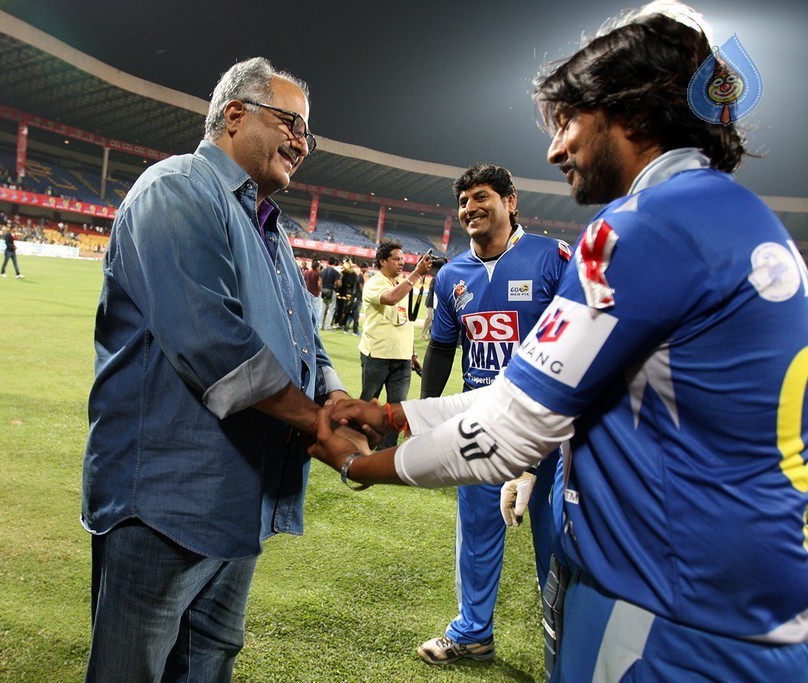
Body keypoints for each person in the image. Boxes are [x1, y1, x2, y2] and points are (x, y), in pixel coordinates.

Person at [310, 3, 808, 681]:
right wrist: (397, 414)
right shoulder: (736, 216)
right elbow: (535, 397)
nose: (555, 148)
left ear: (629, 114)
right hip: (742, 603)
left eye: (571, 120)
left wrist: (361, 463)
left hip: (668, 616)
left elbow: (516, 428)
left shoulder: (647, 225)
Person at [82, 57, 361, 682]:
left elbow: (306, 340)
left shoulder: (270, 227)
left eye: (307, 134)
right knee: (132, 671)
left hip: (238, 501)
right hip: (165, 503)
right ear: (234, 115)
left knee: (207, 664)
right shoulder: (177, 188)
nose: (302, 144)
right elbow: (214, 347)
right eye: (292, 123)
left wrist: (338, 396)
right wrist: (319, 423)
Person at [416, 165, 570, 666]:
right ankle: (472, 633)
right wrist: (427, 415)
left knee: (556, 538)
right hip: (482, 428)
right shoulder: (452, 276)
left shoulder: (551, 258)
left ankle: (566, 648)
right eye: (463, 202)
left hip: (548, 431)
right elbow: (441, 350)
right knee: (478, 533)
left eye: (481, 197)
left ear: (510, 201)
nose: (470, 208)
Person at [358, 239, 431, 449]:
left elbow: (405, 321)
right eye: (396, 259)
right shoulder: (375, 283)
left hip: (402, 358)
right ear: (382, 261)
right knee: (368, 403)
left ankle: (387, 450)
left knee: (396, 408)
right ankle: (357, 441)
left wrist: (413, 354)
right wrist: (416, 274)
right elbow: (389, 299)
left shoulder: (400, 285)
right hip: (377, 356)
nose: (401, 263)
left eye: (403, 259)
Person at [342, 262, 365, 335]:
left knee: (352, 314)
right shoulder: (360, 276)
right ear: (363, 267)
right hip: (357, 297)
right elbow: (361, 288)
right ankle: (355, 331)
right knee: (356, 314)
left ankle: (346, 329)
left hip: (354, 297)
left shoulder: (358, 275)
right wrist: (364, 294)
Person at [319, 256, 340, 329]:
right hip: (331, 291)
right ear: (334, 262)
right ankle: (327, 326)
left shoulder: (323, 271)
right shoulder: (335, 272)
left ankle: (320, 324)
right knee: (331, 308)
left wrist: (321, 289)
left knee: (323, 308)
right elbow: (339, 283)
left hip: (324, 290)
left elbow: (320, 282)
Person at [304, 258, 322, 324]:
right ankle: (316, 324)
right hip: (315, 293)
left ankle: (308, 322)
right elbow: (319, 284)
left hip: (308, 293)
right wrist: (320, 289)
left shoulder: (307, 273)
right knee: (316, 309)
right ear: (317, 267)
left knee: (308, 309)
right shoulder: (317, 274)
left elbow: (304, 281)